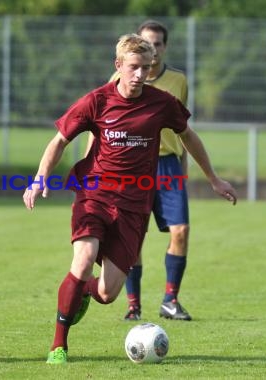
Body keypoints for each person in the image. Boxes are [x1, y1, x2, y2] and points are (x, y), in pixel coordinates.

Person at [23, 34, 237, 364]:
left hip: (133, 206)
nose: (140, 75)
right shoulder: (96, 101)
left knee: (107, 294)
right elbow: (59, 141)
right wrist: (39, 178)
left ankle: (82, 292)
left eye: (147, 68)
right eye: (134, 68)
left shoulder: (161, 103)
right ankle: (58, 346)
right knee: (82, 258)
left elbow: (188, 136)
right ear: (118, 66)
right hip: (93, 194)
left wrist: (213, 178)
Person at [86, 20, 194, 321]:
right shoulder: (120, 78)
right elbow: (98, 130)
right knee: (135, 237)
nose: (154, 49)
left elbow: (183, 130)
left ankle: (170, 300)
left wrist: (184, 170)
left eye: (159, 44)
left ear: (164, 47)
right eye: (148, 43)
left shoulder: (178, 81)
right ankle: (134, 305)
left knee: (181, 230)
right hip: (132, 167)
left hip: (169, 165)